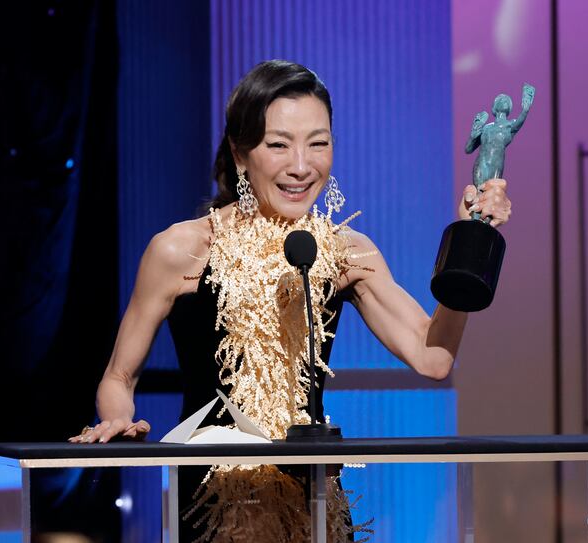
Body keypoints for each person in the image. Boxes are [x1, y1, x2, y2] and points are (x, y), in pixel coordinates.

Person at [69, 59, 512, 541]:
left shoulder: (346, 251)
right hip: (209, 506)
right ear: (240, 154)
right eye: (278, 144)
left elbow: (432, 357)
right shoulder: (181, 249)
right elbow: (118, 376)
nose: (301, 166)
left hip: (314, 501)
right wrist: (118, 419)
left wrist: (471, 239)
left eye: (318, 143)